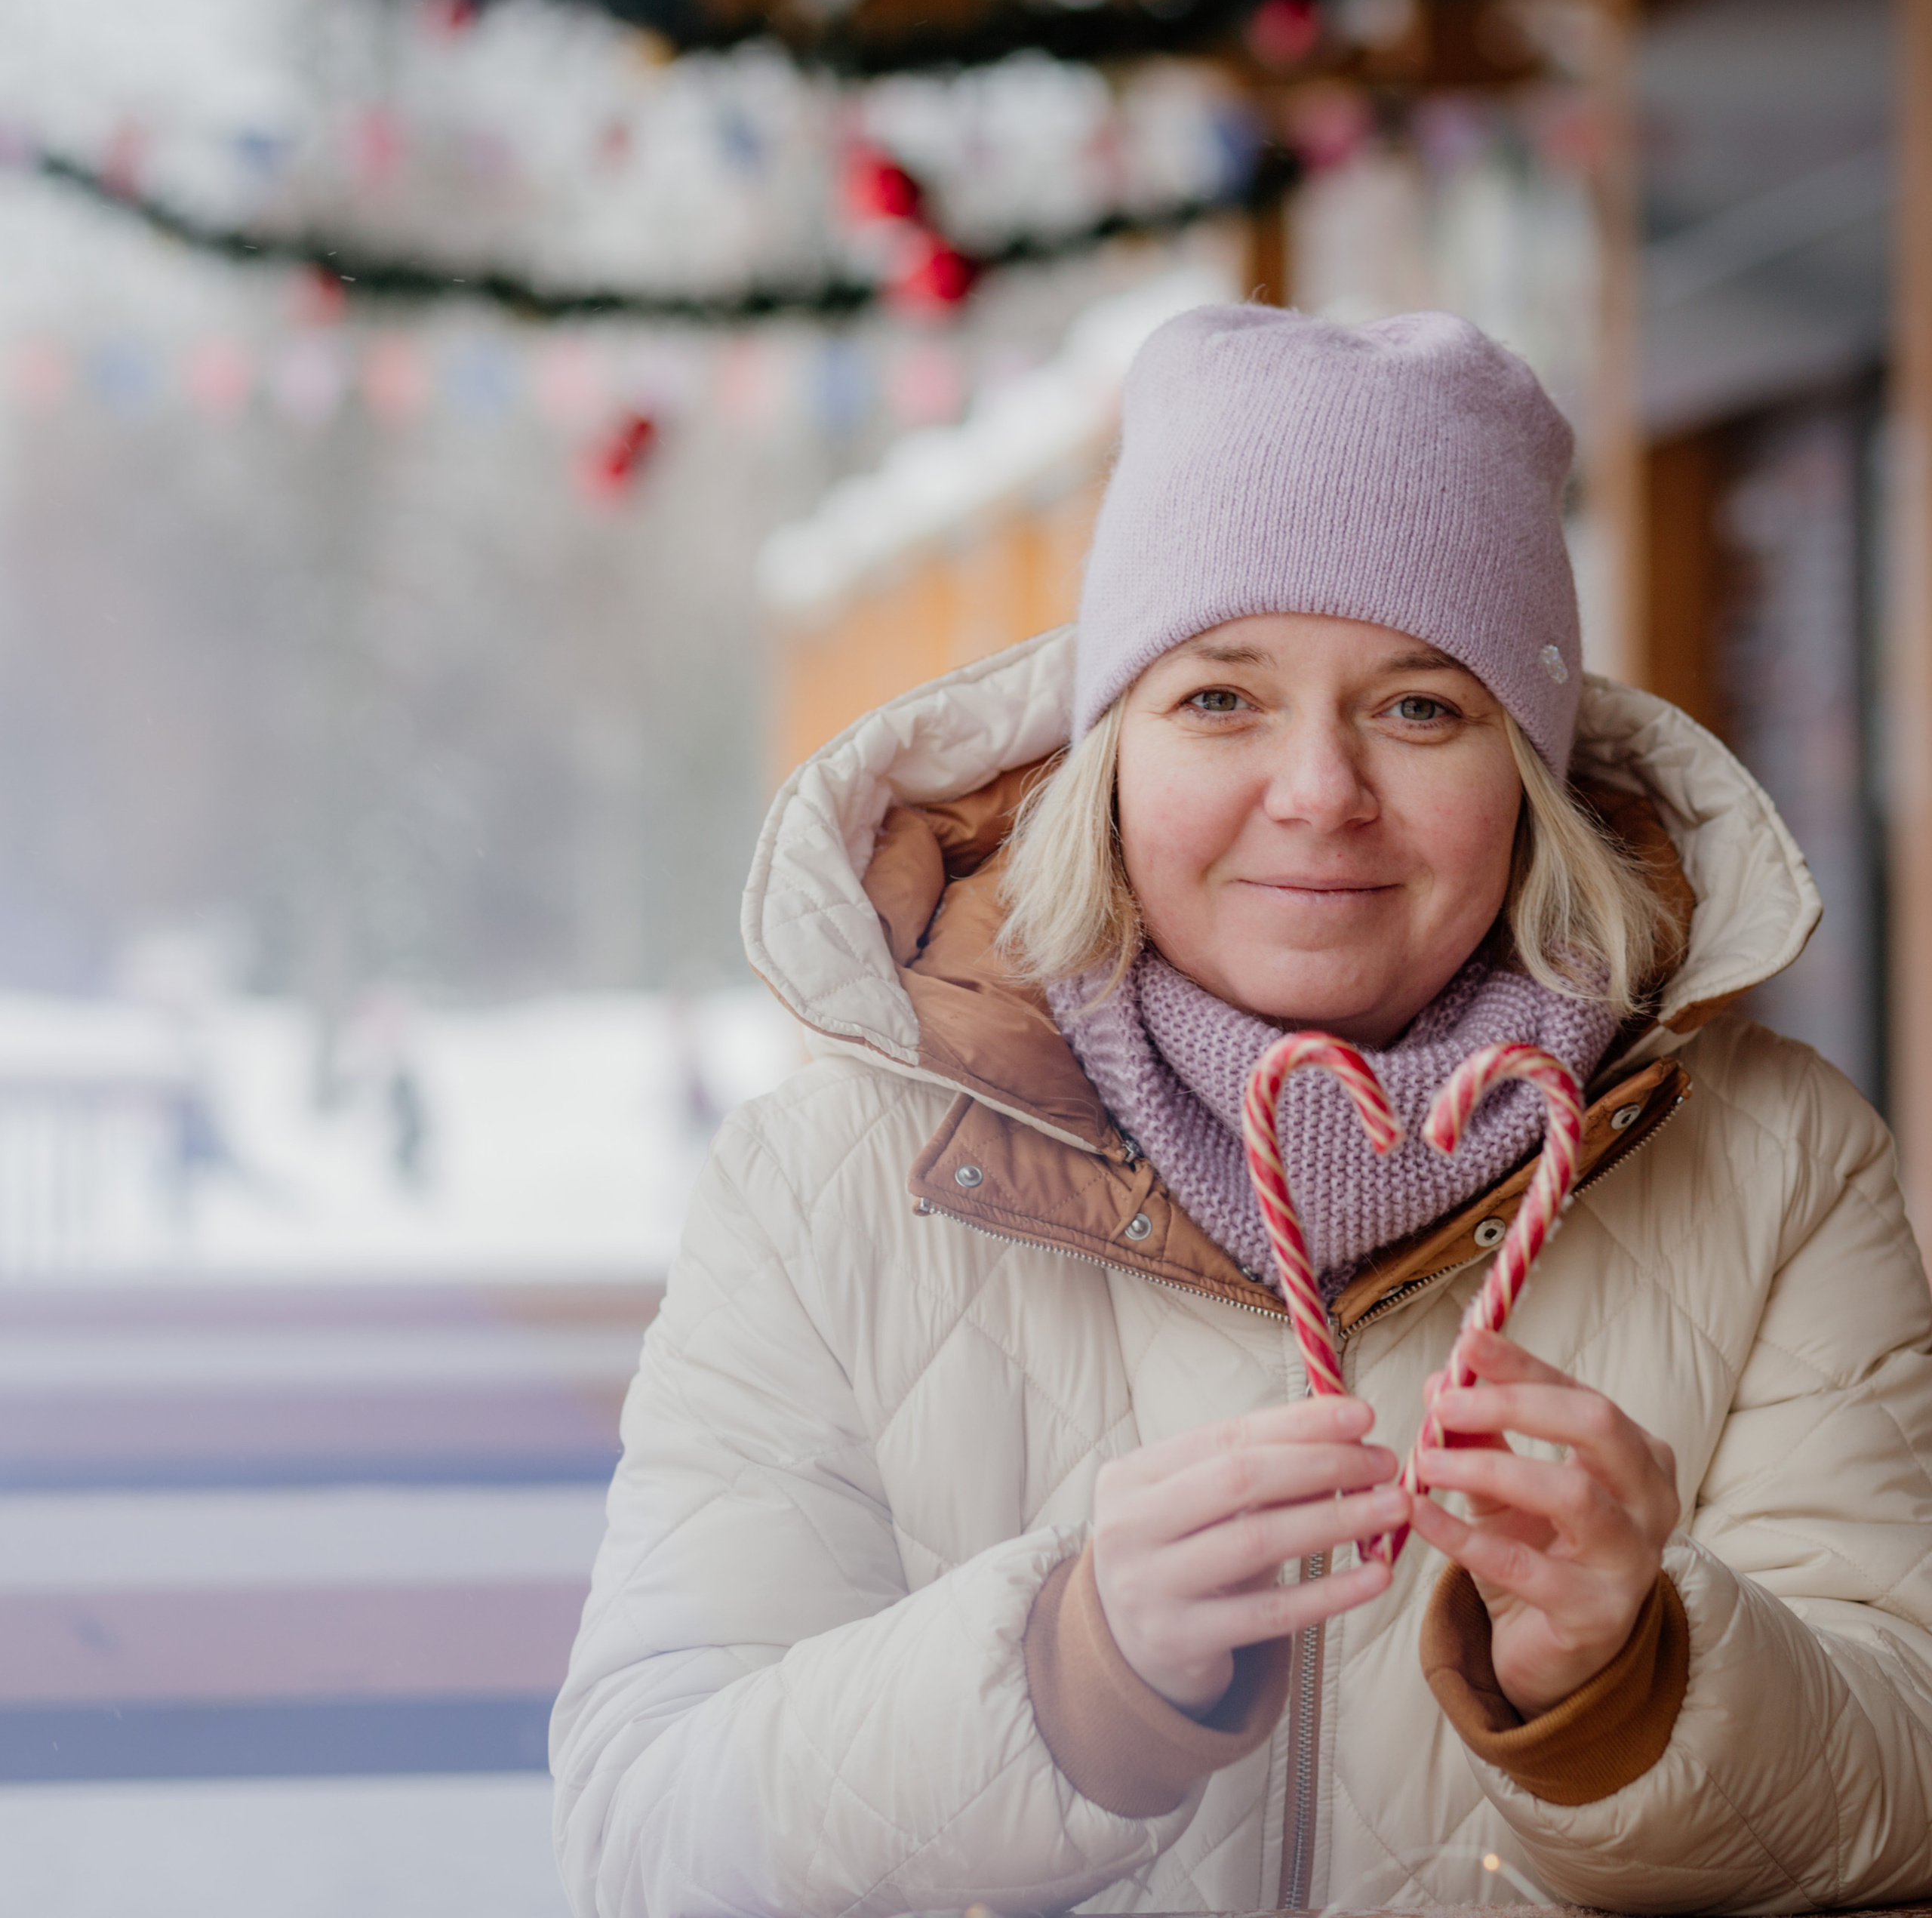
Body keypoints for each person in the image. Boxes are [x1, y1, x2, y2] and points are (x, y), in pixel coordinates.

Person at [551, 307, 1932, 1917]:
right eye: (1220, 698)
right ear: (1110, 748)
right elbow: (649, 1839)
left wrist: (1631, 1683)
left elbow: (1905, 1783)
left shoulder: (1776, 1168)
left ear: (1529, 768)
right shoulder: (828, 1185)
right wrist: (1064, 1676)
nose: (1319, 791)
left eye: (1420, 706)